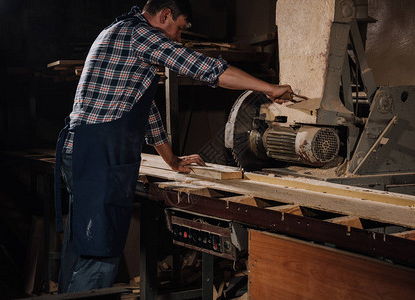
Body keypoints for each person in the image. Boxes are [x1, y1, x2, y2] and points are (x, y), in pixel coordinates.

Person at [54, 0, 293, 293]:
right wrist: (270, 89)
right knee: (99, 252)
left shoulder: (119, 30)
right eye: (179, 29)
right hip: (98, 155)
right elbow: (206, 68)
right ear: (165, 15)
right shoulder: (141, 35)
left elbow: (145, 108)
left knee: (81, 244)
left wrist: (172, 159)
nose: (178, 38)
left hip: (82, 149)